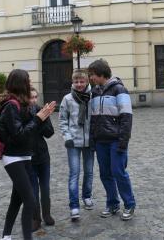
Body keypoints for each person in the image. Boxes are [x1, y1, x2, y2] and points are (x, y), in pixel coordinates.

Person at [0, 69, 56, 240]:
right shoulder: (10, 106)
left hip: (25, 156)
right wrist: (38, 118)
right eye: (27, 80)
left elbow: (43, 131)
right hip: (13, 158)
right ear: (20, 83)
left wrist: (41, 116)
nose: (30, 83)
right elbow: (19, 135)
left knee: (17, 200)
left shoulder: (21, 104)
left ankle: (6, 236)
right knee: (30, 200)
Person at [87, 59, 136, 221]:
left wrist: (123, 142)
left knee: (118, 172)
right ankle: (112, 203)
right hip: (101, 140)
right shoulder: (94, 91)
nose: (91, 78)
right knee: (105, 174)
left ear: (101, 74)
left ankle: (129, 204)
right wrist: (93, 139)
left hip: (116, 140)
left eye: (92, 74)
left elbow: (126, 117)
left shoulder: (119, 89)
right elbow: (93, 118)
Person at [59, 69, 94, 221]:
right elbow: (62, 120)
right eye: (76, 81)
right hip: (73, 141)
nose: (79, 84)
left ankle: (87, 196)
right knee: (74, 174)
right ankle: (74, 205)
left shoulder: (94, 96)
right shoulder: (67, 99)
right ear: (72, 82)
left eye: (82, 81)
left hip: (90, 141)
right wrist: (67, 137)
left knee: (89, 172)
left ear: (87, 82)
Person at [28, 87, 55, 231]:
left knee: (45, 187)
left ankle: (47, 214)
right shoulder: (22, 112)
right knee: (33, 189)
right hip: (29, 157)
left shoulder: (41, 109)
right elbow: (25, 132)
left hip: (43, 155)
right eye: (30, 97)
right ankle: (35, 218)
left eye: (35, 97)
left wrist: (43, 118)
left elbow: (50, 133)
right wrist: (36, 119)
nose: (33, 100)